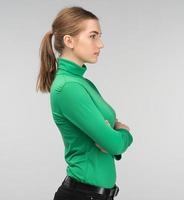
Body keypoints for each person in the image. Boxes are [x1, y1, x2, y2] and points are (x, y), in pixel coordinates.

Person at [36, 6, 134, 200]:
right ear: (69, 41)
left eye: (99, 36)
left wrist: (112, 137)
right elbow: (114, 144)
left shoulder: (82, 83)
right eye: (93, 36)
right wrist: (124, 134)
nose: (101, 44)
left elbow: (110, 142)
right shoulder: (68, 88)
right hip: (82, 195)